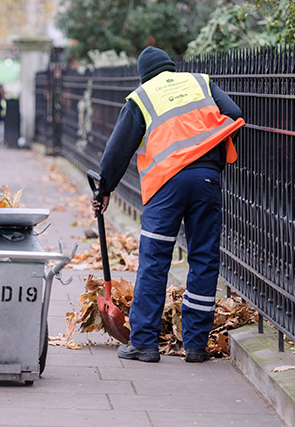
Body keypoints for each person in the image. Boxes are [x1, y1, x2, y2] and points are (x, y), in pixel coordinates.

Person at [93, 46, 245, 364]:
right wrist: (211, 157)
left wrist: (105, 188)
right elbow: (233, 115)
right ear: (171, 68)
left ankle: (145, 343)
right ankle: (195, 345)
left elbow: (118, 148)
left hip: (167, 187)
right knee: (203, 258)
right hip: (205, 180)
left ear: (144, 74)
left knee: (155, 259)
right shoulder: (200, 82)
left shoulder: (143, 96)